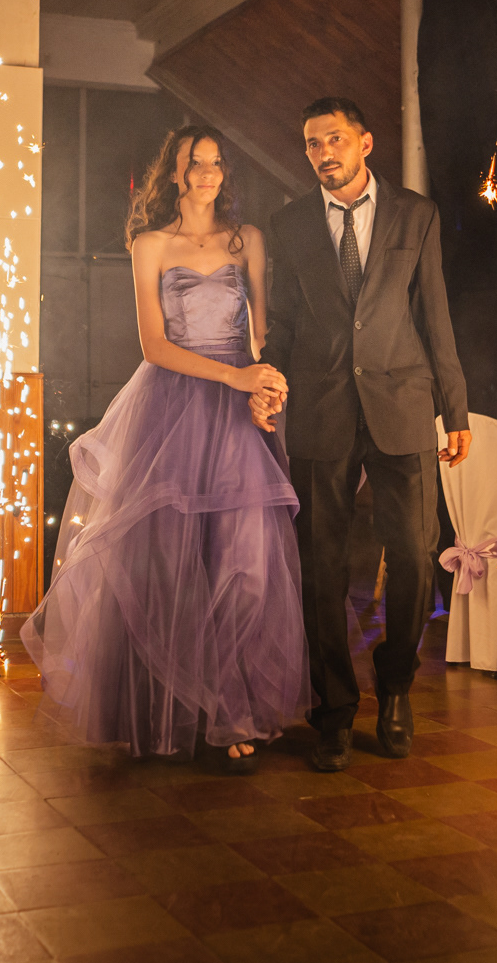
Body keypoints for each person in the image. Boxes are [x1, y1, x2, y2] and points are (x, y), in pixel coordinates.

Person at [23, 126, 308, 774]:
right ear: (175, 173)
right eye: (194, 163)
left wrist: (266, 384)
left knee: (244, 565)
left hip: (237, 415)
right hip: (171, 405)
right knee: (169, 565)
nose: (207, 173)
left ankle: (232, 709)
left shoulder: (247, 240)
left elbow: (261, 334)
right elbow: (154, 346)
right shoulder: (149, 243)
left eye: (216, 163)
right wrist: (234, 376)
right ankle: (178, 713)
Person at [253, 97, 471, 773]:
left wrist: (456, 410)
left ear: (365, 142)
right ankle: (334, 711)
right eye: (312, 143)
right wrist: (268, 382)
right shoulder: (289, 223)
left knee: (416, 555)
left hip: (402, 404)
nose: (323, 153)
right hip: (320, 408)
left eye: (335, 140)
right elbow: (285, 322)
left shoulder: (416, 214)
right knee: (320, 565)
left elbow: (435, 314)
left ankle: (396, 687)